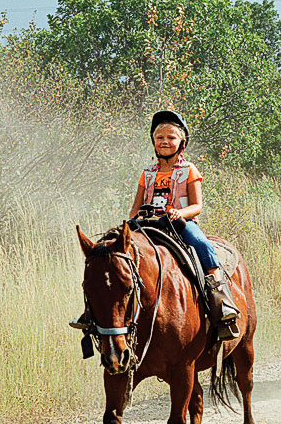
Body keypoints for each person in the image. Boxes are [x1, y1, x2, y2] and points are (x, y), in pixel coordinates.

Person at [72, 110, 239, 340]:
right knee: (106, 250)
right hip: (148, 225)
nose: (165, 142)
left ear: (181, 142)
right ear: (153, 141)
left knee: (201, 244)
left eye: (171, 137)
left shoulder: (189, 170)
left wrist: (179, 213)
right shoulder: (147, 174)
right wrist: (132, 222)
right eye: (160, 137)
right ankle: (91, 312)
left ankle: (220, 296)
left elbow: (197, 205)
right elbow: (135, 207)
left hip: (180, 223)